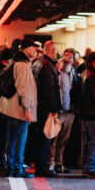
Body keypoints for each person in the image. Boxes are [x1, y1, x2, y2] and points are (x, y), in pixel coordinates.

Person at [0, 39, 38, 178]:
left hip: (10, 107)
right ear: (26, 49)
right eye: (33, 48)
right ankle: (18, 167)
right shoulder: (23, 65)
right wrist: (27, 109)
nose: (35, 50)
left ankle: (11, 166)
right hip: (19, 109)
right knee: (20, 138)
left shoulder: (13, 62)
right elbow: (23, 89)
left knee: (11, 138)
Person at [31, 41, 60, 178]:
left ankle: (38, 164)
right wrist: (54, 108)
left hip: (36, 105)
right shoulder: (48, 66)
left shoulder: (37, 63)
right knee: (45, 137)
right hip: (45, 107)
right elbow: (50, 89)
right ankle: (41, 168)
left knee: (38, 137)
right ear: (52, 50)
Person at [49, 48, 77, 173]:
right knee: (53, 138)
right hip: (58, 110)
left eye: (71, 56)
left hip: (69, 110)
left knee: (64, 139)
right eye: (66, 55)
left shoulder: (73, 72)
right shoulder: (56, 69)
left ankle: (59, 163)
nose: (68, 57)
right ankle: (50, 163)